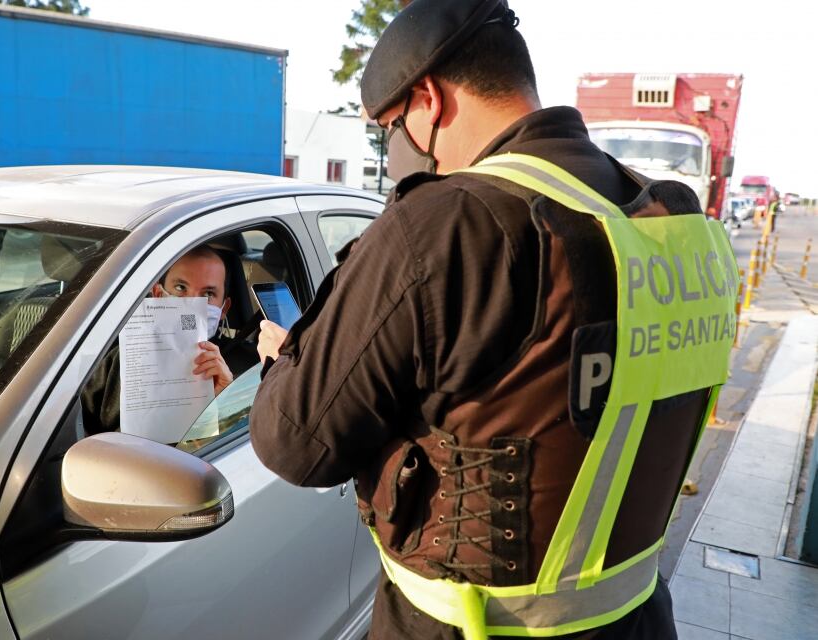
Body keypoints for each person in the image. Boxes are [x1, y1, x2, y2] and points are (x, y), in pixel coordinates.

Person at [249, 1, 737, 639]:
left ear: (430, 100)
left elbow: (295, 444)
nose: (394, 147)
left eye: (391, 126)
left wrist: (294, 357)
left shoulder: (446, 224)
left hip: (471, 626)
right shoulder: (674, 223)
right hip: (638, 615)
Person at [81, 245, 235, 435]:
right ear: (158, 294)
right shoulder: (120, 361)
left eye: (207, 294)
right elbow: (79, 437)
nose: (191, 304)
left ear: (224, 309)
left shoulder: (243, 371)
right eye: (180, 288)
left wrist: (223, 398)